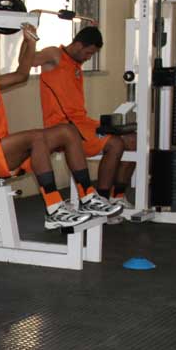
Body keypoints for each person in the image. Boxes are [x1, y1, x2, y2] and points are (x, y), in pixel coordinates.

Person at [0, 24, 121, 231]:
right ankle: (55, 208)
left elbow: (22, 75)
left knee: (67, 131)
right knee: (36, 137)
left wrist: (29, 42)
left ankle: (88, 195)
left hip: (4, 151)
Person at [35, 26, 136, 214]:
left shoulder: (75, 64)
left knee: (132, 140)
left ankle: (118, 197)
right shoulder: (55, 55)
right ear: (79, 45)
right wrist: (29, 37)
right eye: (88, 53)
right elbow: (27, 61)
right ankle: (101, 201)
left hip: (82, 122)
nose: (89, 57)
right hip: (63, 126)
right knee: (115, 144)